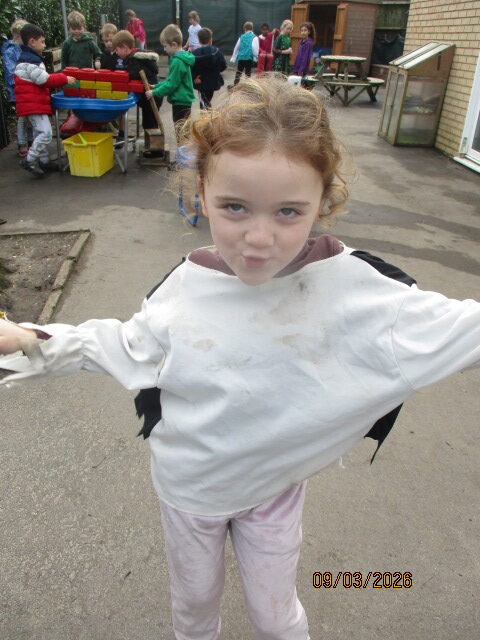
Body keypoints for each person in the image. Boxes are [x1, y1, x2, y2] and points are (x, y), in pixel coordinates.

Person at [1, 75, 479, 638]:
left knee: (276, 618)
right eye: (234, 207)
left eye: (288, 212)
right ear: (201, 191)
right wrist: (27, 337)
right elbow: (121, 344)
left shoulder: (362, 291)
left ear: (323, 201)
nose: (258, 239)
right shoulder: (186, 285)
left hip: (274, 489)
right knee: (194, 608)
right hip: (191, 490)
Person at [14, 23, 75, 178]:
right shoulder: (30, 62)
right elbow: (44, 80)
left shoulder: (28, 59)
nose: (44, 45)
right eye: (42, 41)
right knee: (46, 133)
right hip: (33, 105)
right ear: (32, 42)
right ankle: (29, 160)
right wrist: (64, 78)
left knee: (38, 133)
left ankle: (44, 160)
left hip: (32, 104)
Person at [111, 30, 162, 145]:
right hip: (150, 95)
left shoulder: (134, 60)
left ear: (124, 47)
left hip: (151, 96)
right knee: (150, 123)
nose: (116, 53)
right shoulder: (137, 56)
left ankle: (154, 149)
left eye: (117, 49)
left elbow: (131, 75)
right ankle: (151, 146)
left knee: (150, 125)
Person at [145, 25, 195, 139]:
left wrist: (154, 93)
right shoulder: (181, 58)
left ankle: (183, 149)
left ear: (174, 44)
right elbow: (170, 80)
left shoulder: (177, 62)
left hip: (180, 101)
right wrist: (156, 86)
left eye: (165, 46)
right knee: (183, 130)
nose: (164, 49)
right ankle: (184, 148)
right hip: (183, 100)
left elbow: (171, 85)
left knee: (181, 132)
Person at [1, 18, 32, 158]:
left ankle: (30, 141)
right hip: (17, 91)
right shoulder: (10, 51)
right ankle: (21, 143)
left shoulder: (24, 49)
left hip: (27, 89)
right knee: (22, 117)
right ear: (16, 36)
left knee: (30, 115)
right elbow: (11, 73)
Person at [191, 27, 226, 109]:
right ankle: (208, 114)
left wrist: (194, 77)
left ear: (199, 40)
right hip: (213, 81)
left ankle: (207, 115)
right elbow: (223, 65)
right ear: (210, 39)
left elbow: (191, 67)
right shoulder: (217, 51)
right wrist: (216, 71)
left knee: (203, 102)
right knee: (207, 100)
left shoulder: (194, 53)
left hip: (200, 82)